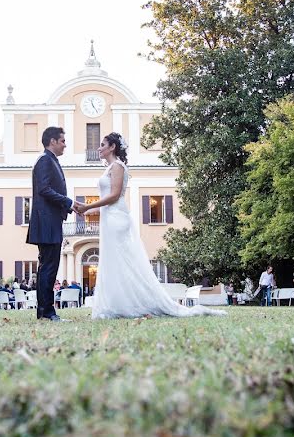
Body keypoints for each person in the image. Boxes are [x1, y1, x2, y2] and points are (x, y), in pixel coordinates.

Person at [80, 132, 225, 319]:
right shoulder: (109, 168)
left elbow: (115, 196)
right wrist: (86, 210)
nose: (98, 148)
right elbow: (107, 202)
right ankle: (116, 304)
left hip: (117, 220)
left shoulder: (117, 166)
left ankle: (128, 304)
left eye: (102, 144)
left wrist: (88, 206)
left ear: (112, 147)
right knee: (113, 263)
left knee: (121, 262)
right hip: (110, 218)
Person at [26, 126, 84, 322]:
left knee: (48, 267)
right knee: (49, 267)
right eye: (62, 141)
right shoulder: (44, 161)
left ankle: (45, 312)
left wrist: (67, 205)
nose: (65, 145)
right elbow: (43, 189)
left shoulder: (50, 161)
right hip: (46, 222)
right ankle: (47, 313)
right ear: (52, 141)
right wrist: (68, 202)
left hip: (51, 221)